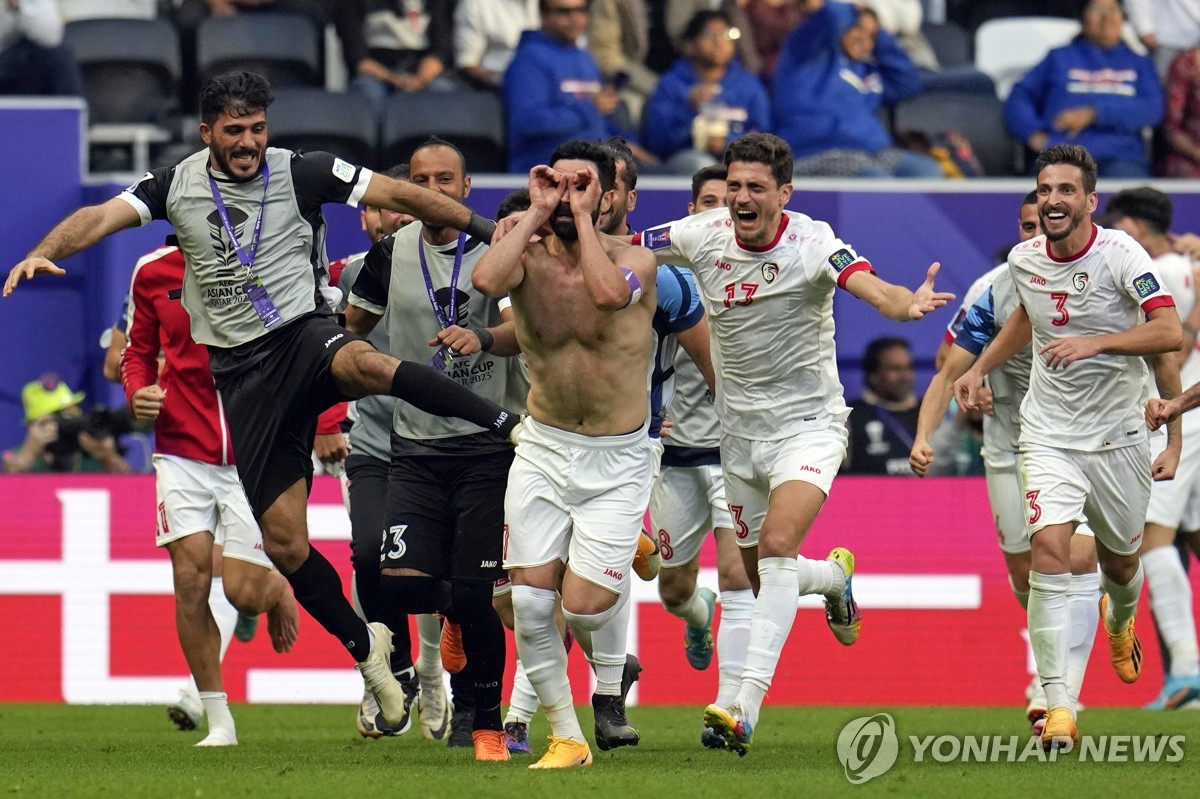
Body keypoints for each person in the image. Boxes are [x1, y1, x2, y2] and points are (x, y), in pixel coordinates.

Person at [3, 71, 522, 735]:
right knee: (284, 542)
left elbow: (396, 192)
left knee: (366, 361)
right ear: (207, 132)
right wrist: (43, 251)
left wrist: (487, 228)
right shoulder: (175, 185)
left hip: (304, 337)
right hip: (243, 378)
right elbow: (102, 216)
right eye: (234, 131)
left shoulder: (304, 171)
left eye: (256, 129)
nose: (247, 142)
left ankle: (506, 424)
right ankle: (370, 654)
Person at [634, 132, 953, 755]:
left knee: (776, 547)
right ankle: (833, 578)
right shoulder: (701, 235)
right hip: (739, 436)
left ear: (784, 193)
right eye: (735, 187)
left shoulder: (815, 242)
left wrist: (902, 304)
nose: (743, 198)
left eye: (757, 187)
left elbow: (870, 285)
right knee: (759, 575)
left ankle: (742, 706)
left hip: (809, 428)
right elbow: (629, 247)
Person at [954, 144, 1183, 750]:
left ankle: (1123, 615)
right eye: (1045, 189)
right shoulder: (1026, 260)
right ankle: (1058, 701)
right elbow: (1025, 319)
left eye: (1065, 191)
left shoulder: (1121, 254)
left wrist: (1097, 342)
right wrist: (980, 368)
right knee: (1048, 553)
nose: (1053, 200)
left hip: (1119, 437)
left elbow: (1169, 331)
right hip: (1049, 431)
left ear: (1089, 200)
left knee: (1122, 564)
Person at [473, 140, 660, 769]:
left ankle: (615, 573)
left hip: (619, 459)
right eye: (558, 181)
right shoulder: (521, 252)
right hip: (545, 446)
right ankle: (566, 736)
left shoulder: (638, 260)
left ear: (609, 196)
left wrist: (579, 221)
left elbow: (608, 296)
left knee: (581, 606)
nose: (567, 193)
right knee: (528, 605)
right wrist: (533, 212)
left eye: (585, 185)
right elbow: (484, 280)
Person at [345, 137, 526, 762]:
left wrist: (483, 337)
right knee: (396, 585)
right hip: (412, 448)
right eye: (421, 180)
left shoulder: (496, 253)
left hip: (484, 448)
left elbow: (520, 329)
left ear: (466, 187)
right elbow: (350, 331)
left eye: (445, 179)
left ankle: (486, 724)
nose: (434, 191)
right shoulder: (386, 255)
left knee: (478, 595)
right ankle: (444, 622)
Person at [910, 192, 1100, 732]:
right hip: (1009, 445)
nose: (1033, 234)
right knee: (1028, 571)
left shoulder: (1101, 276)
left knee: (1071, 559)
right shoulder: (991, 290)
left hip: (1085, 444)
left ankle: (1056, 689)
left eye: (1042, 223)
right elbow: (950, 368)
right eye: (1025, 226)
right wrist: (928, 432)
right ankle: (1062, 661)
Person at [120, 235, 300, 747]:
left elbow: (297, 346)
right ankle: (219, 721)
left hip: (255, 448)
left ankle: (278, 588)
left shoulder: (266, 259)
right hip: (181, 449)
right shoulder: (153, 271)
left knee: (244, 590)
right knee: (190, 577)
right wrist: (138, 392)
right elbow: (136, 352)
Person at [647, 164, 755, 749]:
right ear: (689, 213)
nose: (720, 211)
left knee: (741, 574)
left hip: (738, 450)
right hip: (673, 452)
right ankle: (699, 615)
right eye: (708, 202)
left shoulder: (761, 273)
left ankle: (730, 705)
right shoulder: (659, 276)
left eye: (729, 202)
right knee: (673, 592)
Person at [1105, 186, 1200, 710]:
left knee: (1152, 540)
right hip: (1190, 399)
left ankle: (1186, 672)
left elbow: (1168, 344)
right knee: (1192, 533)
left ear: (1135, 228)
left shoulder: (1150, 271)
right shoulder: (1188, 263)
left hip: (1178, 405)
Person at [772, 0, 943, 178]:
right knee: (876, 180)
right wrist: (856, 9)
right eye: (857, 29)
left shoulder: (867, 72)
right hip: (817, 151)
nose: (862, 39)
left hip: (872, 151)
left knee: (927, 171)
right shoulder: (805, 53)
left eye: (869, 36)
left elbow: (907, 84)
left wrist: (879, 34)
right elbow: (833, 16)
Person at [1005, 0, 1163, 180]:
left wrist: (1095, 113)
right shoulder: (1059, 57)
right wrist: (1032, 133)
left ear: (1122, 17)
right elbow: (1020, 95)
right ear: (1082, 19)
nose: (1107, 18)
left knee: (1136, 202)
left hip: (1121, 158)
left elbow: (1152, 108)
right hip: (1061, 155)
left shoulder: (1140, 63)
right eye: (1097, 9)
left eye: (1113, 9)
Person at [643, 10, 771, 175]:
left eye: (727, 35)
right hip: (686, 160)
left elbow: (764, 134)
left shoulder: (748, 85)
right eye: (711, 35)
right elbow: (657, 143)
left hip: (738, 159)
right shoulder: (671, 84)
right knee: (702, 166)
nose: (719, 42)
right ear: (690, 45)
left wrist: (729, 143)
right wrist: (688, 109)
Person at [502, 0, 618, 174]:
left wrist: (625, 142)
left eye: (581, 10)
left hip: (596, 166)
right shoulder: (529, 60)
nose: (575, 18)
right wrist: (590, 108)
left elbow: (600, 121)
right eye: (564, 12)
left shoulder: (585, 58)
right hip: (545, 171)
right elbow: (529, 122)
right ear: (543, 15)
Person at [4, 375, 131, 474]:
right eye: (58, 415)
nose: (68, 419)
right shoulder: (14, 456)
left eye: (72, 411)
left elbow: (130, 492)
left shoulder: (88, 451)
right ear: (34, 425)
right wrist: (29, 453)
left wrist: (108, 457)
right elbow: (7, 496)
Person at [845, 337, 920, 475]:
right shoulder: (849, 417)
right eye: (895, 369)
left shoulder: (928, 410)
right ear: (873, 374)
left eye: (908, 367)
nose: (905, 376)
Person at [0, 0, 83, 97]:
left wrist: (18, 5)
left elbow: (51, 36)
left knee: (58, 57)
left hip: (10, 64)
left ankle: (68, 110)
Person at [453, 0, 539, 91]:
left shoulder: (552, 3)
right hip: (497, 89)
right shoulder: (477, 3)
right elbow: (467, 64)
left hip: (550, 84)